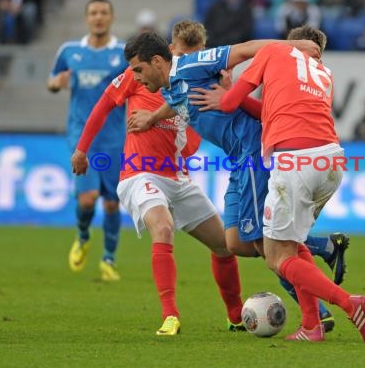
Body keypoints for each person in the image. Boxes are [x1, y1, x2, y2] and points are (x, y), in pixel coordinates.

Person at [127, 23, 349, 332]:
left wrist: (293, 47)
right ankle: (323, 247)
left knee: (263, 242)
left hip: (252, 152)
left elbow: (245, 49)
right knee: (236, 243)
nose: (135, 79)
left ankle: (319, 313)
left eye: (138, 70)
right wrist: (152, 117)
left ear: (158, 61)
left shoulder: (192, 65)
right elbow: (178, 100)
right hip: (237, 159)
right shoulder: (170, 84)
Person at [189, 25, 365, 343]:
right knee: (292, 246)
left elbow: (229, 103)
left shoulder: (272, 52)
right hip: (331, 161)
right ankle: (312, 325)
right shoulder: (322, 72)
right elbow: (272, 111)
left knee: (277, 256)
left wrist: (227, 92)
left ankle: (350, 303)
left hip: (295, 161)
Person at [70, 22, 245, 336]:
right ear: (168, 52)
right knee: (162, 228)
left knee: (225, 246)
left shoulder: (195, 83)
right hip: (139, 173)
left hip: (178, 177)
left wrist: (226, 95)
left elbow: (193, 143)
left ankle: (236, 317)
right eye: (183, 51)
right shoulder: (140, 75)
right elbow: (103, 106)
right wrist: (82, 150)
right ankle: (170, 316)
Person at [47, 0, 128, 281]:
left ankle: (109, 260)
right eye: (93, 13)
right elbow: (52, 79)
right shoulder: (69, 51)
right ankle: (82, 236)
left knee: (111, 203)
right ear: (86, 18)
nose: (98, 17)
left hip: (115, 137)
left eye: (104, 12)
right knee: (88, 199)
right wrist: (56, 84)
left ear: (111, 17)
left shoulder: (123, 53)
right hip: (82, 136)